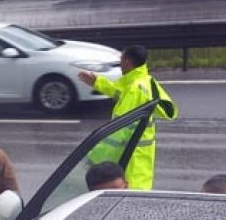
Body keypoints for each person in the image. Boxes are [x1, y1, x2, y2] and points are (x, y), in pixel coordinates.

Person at [75, 45, 177, 191]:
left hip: (131, 158)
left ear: (128, 61)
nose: (120, 63)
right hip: (141, 156)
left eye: (121, 59)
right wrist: (97, 82)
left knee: (130, 199)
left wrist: (95, 159)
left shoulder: (135, 90)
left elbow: (118, 130)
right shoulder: (143, 80)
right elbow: (120, 92)